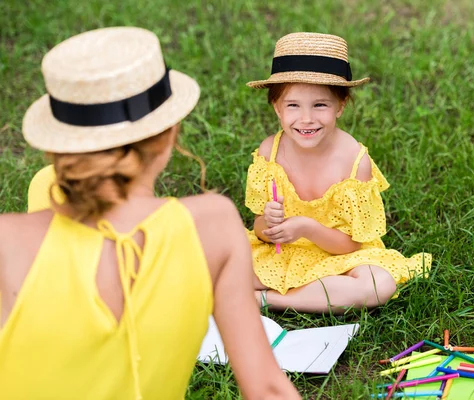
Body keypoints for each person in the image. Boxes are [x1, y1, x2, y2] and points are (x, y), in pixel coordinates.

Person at [0, 27, 300, 400]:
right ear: (170, 134)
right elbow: (269, 390)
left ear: (58, 146)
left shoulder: (6, 244)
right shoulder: (216, 226)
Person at [244, 32, 432, 313]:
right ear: (277, 108)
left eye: (320, 104)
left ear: (340, 106)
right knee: (211, 264)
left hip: (340, 258)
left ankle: (269, 299)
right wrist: (269, 226)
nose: (306, 118)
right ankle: (302, 293)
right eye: (293, 105)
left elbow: (350, 246)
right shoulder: (270, 152)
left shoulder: (355, 162)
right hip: (282, 254)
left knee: (377, 284)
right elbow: (260, 229)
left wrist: (305, 227)